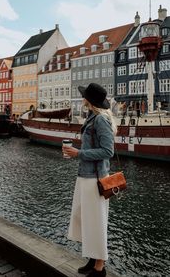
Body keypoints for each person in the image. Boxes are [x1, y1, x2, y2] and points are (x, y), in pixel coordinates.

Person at [62, 83, 117, 277]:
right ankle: (93, 260)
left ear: (89, 101)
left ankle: (99, 268)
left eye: (84, 96)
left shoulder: (100, 120)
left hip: (96, 179)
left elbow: (108, 151)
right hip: (86, 176)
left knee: (97, 222)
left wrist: (79, 153)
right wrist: (78, 152)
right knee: (86, 219)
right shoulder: (92, 117)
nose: (82, 98)